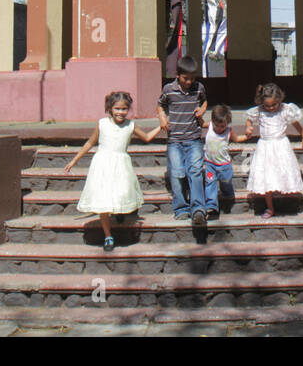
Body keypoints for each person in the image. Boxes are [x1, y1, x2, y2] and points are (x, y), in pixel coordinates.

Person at [63, 91, 163, 251]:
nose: (120, 112)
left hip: (121, 165)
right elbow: (90, 142)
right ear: (110, 108)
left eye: (124, 109)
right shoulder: (102, 124)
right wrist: (74, 160)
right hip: (103, 165)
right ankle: (108, 235)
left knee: (120, 192)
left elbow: (146, 137)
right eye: (117, 109)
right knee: (103, 200)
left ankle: (119, 212)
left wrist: (161, 126)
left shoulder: (130, 125)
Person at [157, 55, 210, 225]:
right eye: (186, 78)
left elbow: (205, 101)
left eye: (192, 78)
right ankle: (180, 207)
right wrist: (162, 118)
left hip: (193, 138)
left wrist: (202, 110)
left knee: (195, 171)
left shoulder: (199, 88)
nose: (189, 82)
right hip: (174, 140)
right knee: (177, 172)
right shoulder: (168, 89)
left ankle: (198, 209)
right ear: (177, 75)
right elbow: (160, 105)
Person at [244, 82, 303, 218]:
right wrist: (248, 127)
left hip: (280, 146)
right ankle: (270, 207)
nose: (271, 108)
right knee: (267, 176)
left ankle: (286, 201)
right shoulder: (260, 111)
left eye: (274, 104)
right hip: (265, 147)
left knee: (282, 173)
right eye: (267, 105)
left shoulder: (285, 110)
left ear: (279, 100)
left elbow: (296, 123)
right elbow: (249, 119)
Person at [201, 103, 249, 220]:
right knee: (210, 183)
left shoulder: (228, 132)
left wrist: (247, 136)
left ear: (227, 124)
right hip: (210, 164)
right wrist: (199, 114)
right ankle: (212, 207)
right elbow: (201, 123)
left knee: (225, 182)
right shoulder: (210, 126)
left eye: (222, 126)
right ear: (213, 121)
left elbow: (237, 139)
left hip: (224, 165)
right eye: (217, 125)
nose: (219, 128)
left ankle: (228, 193)